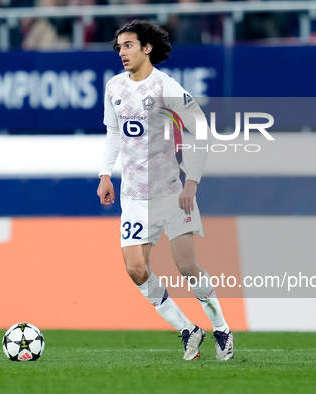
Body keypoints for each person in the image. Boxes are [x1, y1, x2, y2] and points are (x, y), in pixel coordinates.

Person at [97, 19, 234, 361]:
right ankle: (188, 329)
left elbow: (200, 128)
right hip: (133, 197)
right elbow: (114, 134)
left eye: (128, 45)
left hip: (171, 193)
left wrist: (192, 182)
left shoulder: (166, 87)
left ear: (147, 48)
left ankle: (221, 329)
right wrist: (104, 174)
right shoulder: (114, 87)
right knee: (135, 269)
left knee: (186, 265)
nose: (122, 52)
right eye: (119, 47)